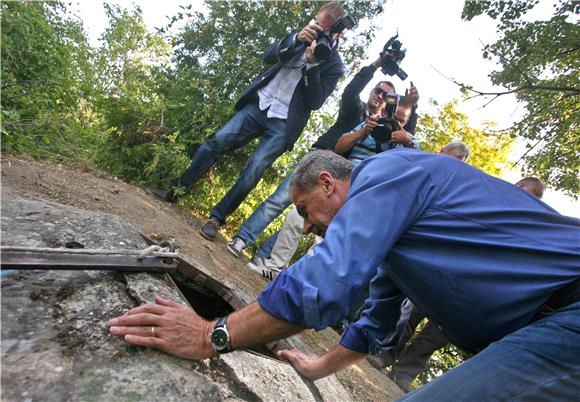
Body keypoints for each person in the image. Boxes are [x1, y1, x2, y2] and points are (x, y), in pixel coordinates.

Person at [109, 150, 579, 400]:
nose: (308, 225)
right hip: (540, 327)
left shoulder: (390, 173)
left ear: (329, 184)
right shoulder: (399, 240)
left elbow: (327, 280)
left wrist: (211, 334)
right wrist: (316, 367)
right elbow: (376, 320)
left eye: (305, 210)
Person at [149, 2, 346, 241]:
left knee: (253, 170)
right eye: (317, 25)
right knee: (215, 142)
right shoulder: (298, 36)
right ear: (314, 19)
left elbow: (315, 101)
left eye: (324, 30)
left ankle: (216, 219)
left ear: (336, 32)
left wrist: (314, 64)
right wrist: (295, 39)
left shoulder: (333, 64)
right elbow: (267, 56)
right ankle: (175, 190)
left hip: (284, 123)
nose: (318, 32)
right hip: (259, 104)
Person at [227, 68, 419, 266]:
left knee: (306, 217)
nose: (380, 95)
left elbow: (405, 141)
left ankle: (267, 257)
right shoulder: (356, 109)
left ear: (391, 102)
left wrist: (412, 106)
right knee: (282, 198)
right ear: (371, 92)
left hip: (339, 180)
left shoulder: (387, 128)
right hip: (320, 158)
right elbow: (351, 90)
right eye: (378, 90)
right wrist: (377, 63)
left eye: (386, 95)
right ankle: (243, 239)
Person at [367, 141, 471, 391]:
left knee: (439, 330)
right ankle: (386, 354)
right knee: (409, 312)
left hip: (464, 277)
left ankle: (404, 373)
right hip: (435, 262)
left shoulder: (473, 190)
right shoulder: (435, 176)